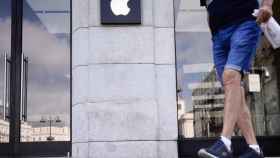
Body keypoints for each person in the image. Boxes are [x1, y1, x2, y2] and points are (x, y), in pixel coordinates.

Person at [197, 0, 274, 158]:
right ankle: (254, 149)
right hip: (218, 36)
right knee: (234, 90)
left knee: (230, 76)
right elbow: (208, 7)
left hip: (244, 22)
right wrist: (213, 32)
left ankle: (225, 143)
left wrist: (267, 5)